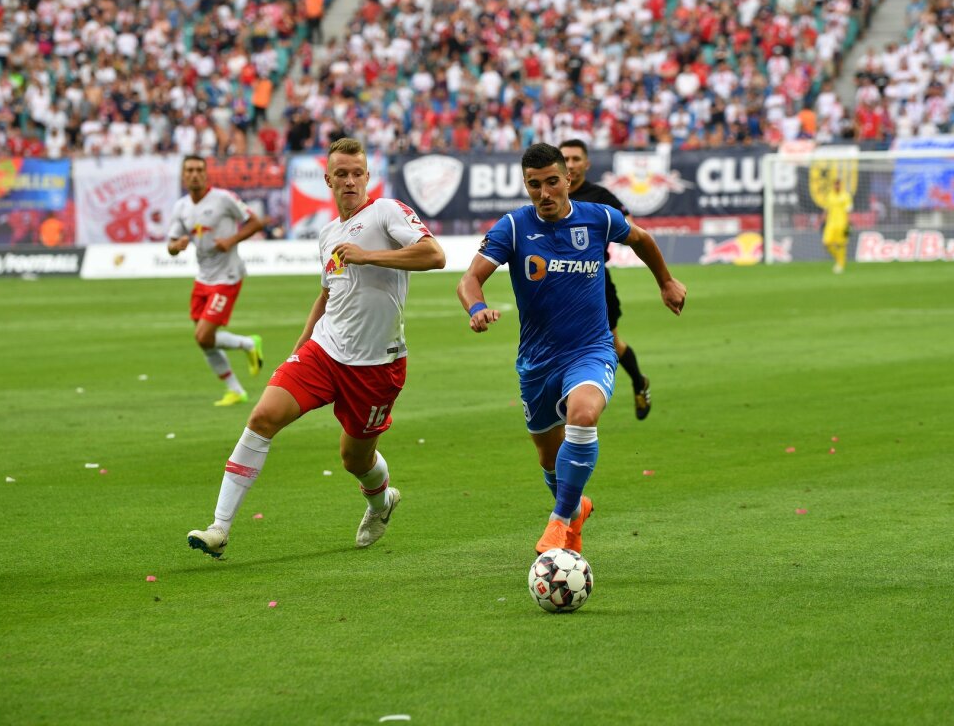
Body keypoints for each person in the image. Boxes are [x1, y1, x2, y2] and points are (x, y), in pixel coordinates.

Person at [187, 138, 445, 558]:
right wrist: (301, 344)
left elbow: (434, 255)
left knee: (355, 459)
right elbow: (326, 294)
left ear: (367, 176)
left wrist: (369, 256)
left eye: (356, 173)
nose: (348, 180)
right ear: (327, 179)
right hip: (324, 352)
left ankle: (382, 502)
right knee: (263, 416)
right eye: (340, 174)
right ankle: (219, 528)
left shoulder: (387, 212)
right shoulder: (327, 234)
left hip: (378, 364)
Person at [457, 143, 687, 556]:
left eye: (551, 182)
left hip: (591, 349)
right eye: (534, 185)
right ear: (525, 185)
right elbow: (469, 279)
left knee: (583, 414)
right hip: (537, 360)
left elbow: (643, 239)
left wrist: (666, 282)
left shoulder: (598, 217)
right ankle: (575, 507)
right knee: (549, 457)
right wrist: (476, 308)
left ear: (568, 180)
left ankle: (560, 520)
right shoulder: (512, 227)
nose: (544, 193)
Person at [559, 139, 655, 418]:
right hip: (557, 283)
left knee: (611, 341)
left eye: (577, 159)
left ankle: (638, 381)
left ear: (586, 164)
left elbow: (631, 228)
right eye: (566, 159)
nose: (572, 165)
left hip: (594, 281)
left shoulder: (600, 197)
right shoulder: (549, 195)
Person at [167, 155, 267, 406]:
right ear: (183, 175)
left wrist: (231, 240)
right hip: (203, 278)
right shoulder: (181, 207)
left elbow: (255, 222)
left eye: (199, 170)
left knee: (203, 336)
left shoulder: (224, 199)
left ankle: (248, 344)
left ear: (206, 174)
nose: (194, 174)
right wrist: (176, 246)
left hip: (228, 275)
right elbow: (171, 245)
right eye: (189, 170)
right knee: (205, 341)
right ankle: (235, 390)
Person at [821, 180, 854, 274]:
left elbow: (848, 211)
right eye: (835, 185)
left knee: (841, 245)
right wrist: (822, 221)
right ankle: (840, 260)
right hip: (830, 224)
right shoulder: (829, 196)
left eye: (838, 185)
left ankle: (841, 264)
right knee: (826, 243)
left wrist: (848, 224)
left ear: (841, 185)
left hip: (842, 224)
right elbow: (826, 210)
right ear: (833, 185)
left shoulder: (846, 196)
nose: (837, 187)